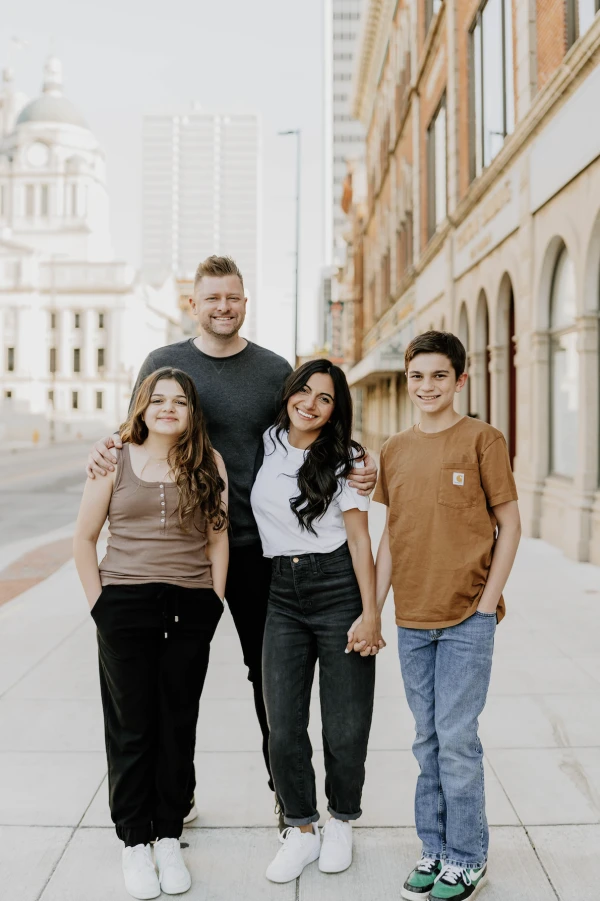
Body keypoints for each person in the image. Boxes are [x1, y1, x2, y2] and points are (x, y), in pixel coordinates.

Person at [86, 255, 378, 825]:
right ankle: (179, 794)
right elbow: (134, 433)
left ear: (246, 302)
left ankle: (286, 795)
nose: (224, 307)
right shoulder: (162, 362)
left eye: (233, 298)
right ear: (193, 304)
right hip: (176, 553)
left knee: (267, 678)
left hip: (255, 551)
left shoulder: (273, 371)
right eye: (212, 297)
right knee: (175, 680)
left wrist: (358, 468)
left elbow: (310, 427)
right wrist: (103, 446)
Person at [371, 332, 521, 901]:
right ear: (406, 380)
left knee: (457, 739)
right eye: (416, 376)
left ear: (459, 380)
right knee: (426, 740)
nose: (426, 386)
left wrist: (486, 605)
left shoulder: (484, 439)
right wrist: (374, 612)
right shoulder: (395, 449)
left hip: (465, 619)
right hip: (412, 618)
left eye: (438, 376)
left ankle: (467, 857)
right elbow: (392, 536)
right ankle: (434, 849)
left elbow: (510, 525)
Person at [74, 368, 228, 900]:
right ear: (141, 406)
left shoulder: (209, 463)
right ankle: (135, 841)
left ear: (191, 413)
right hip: (125, 605)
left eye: (179, 401)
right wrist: (102, 609)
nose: (167, 408)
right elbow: (85, 539)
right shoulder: (112, 460)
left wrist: (214, 602)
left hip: (190, 606)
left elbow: (217, 542)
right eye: (157, 399)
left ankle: (168, 833)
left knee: (177, 722)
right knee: (131, 726)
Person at [250, 359, 385, 884]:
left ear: (335, 411)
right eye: (303, 391)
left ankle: (342, 821)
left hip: (337, 589)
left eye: (324, 398)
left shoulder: (348, 459)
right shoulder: (267, 440)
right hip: (281, 590)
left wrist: (370, 613)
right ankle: (301, 830)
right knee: (282, 723)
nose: (309, 403)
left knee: (346, 723)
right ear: (289, 394)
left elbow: (358, 539)